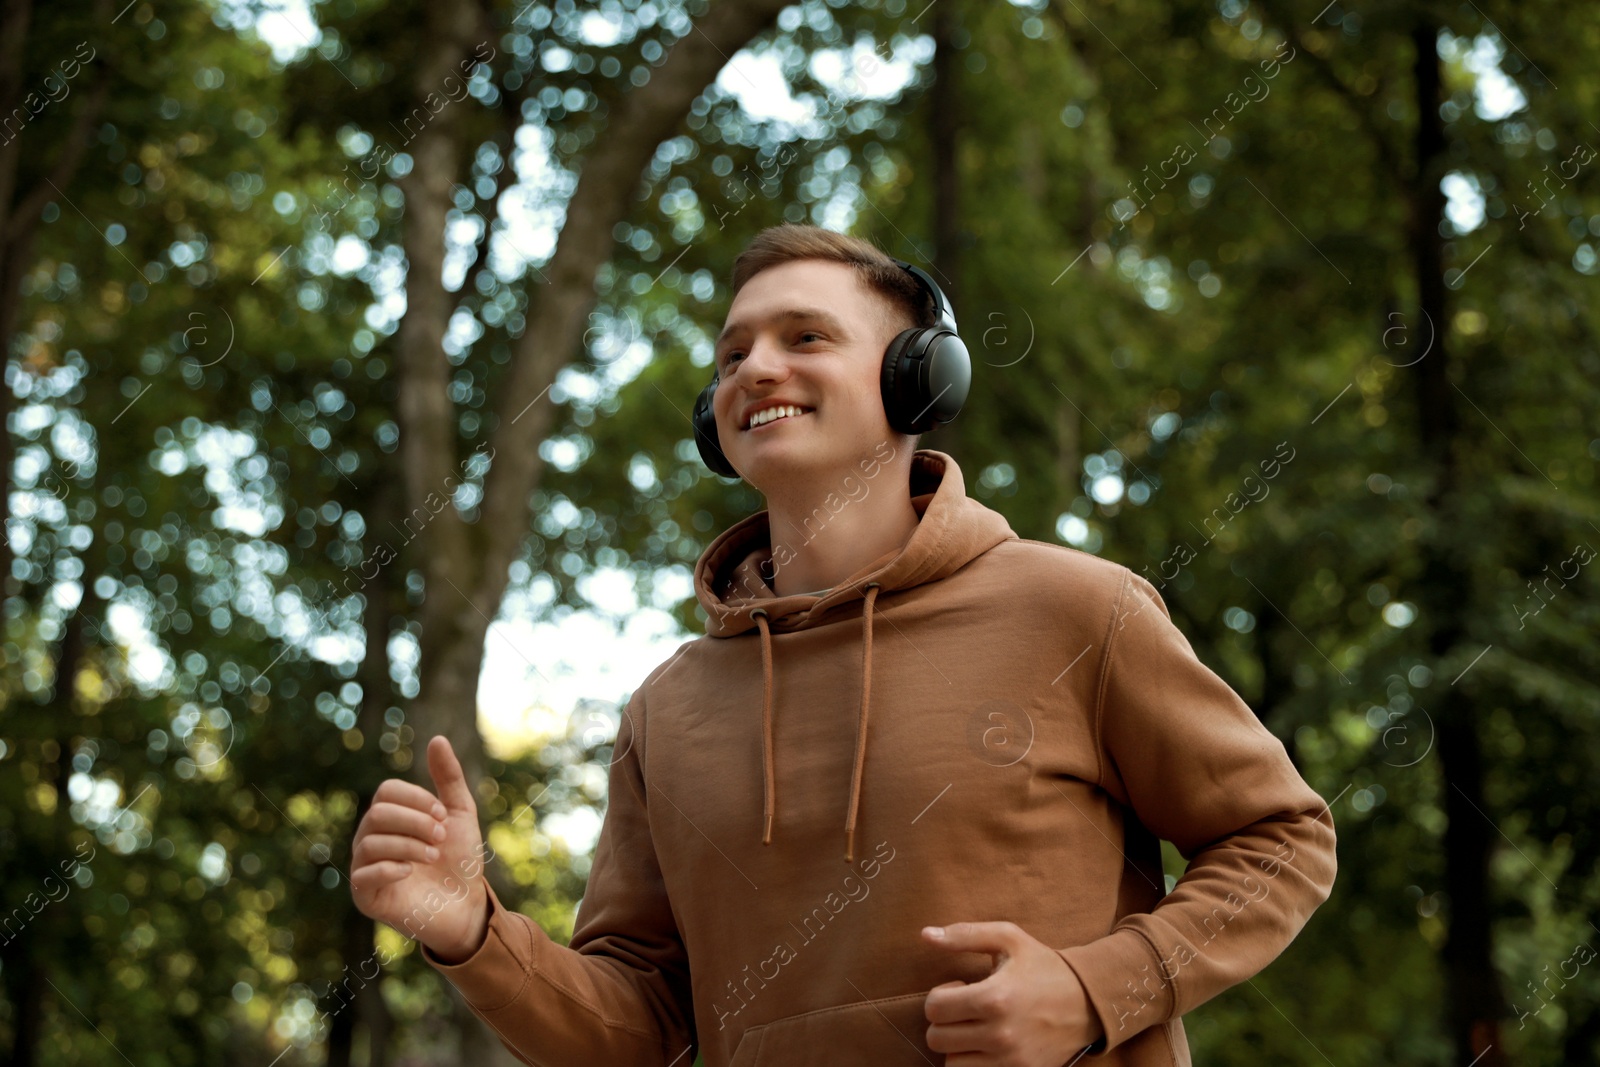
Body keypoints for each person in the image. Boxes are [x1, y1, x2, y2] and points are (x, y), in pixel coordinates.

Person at [349, 223, 1337, 1066]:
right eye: (731, 356)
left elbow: (1280, 839)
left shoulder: (1075, 606)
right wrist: (475, 931)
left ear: (918, 378)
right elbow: (643, 1026)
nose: (755, 368)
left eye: (805, 336)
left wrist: (1093, 988)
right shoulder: (667, 704)